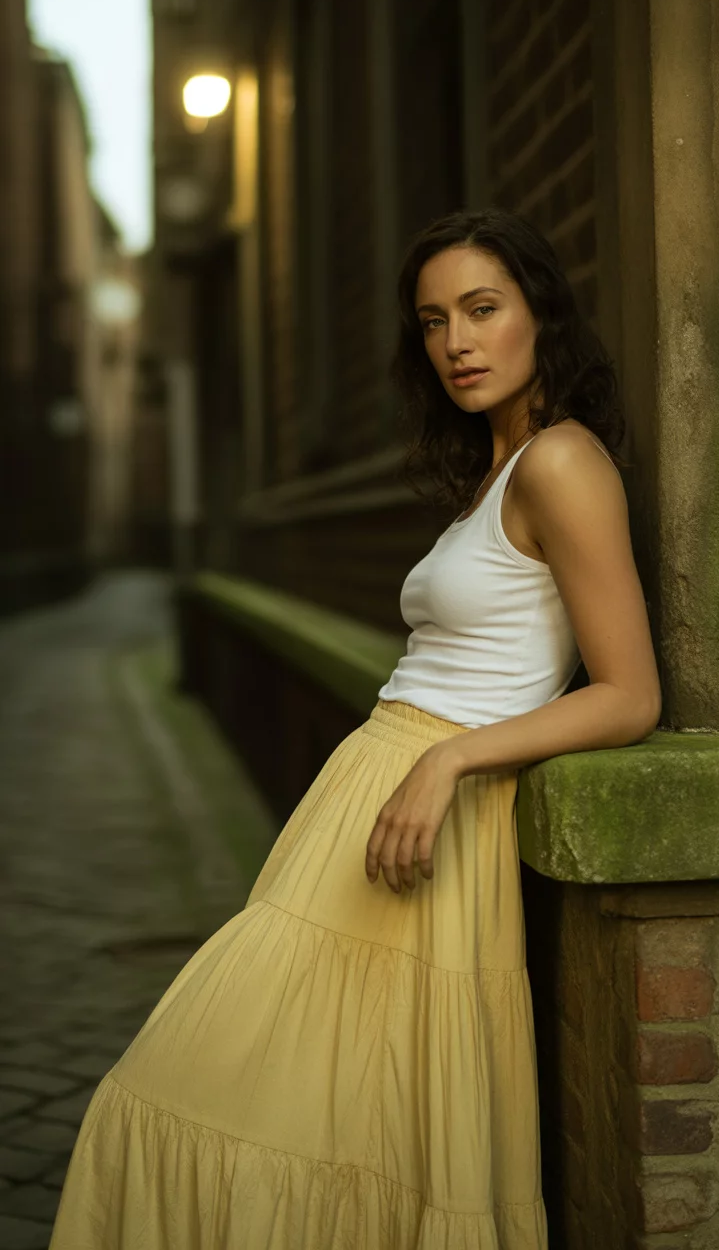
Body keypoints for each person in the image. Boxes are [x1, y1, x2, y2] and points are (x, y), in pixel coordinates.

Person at [49, 207, 661, 1249]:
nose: (456, 343)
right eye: (432, 321)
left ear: (540, 314)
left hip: (434, 816)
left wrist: (452, 758)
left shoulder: (562, 462)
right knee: (316, 1116)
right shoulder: (494, 473)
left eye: (482, 308)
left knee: (269, 1101)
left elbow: (630, 694)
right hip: (363, 810)